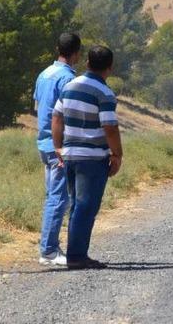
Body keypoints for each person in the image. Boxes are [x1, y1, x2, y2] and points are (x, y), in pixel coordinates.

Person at [52, 45, 122, 270]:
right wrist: (117, 154)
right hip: (92, 158)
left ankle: (76, 253)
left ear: (87, 63)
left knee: (77, 205)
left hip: (71, 155)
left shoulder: (69, 86)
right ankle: (77, 256)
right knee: (86, 206)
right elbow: (109, 127)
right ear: (109, 67)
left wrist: (58, 147)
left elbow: (56, 118)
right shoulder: (104, 93)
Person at [33, 32, 82, 266]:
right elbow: (67, 115)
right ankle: (49, 250)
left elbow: (38, 106)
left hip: (43, 143)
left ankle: (50, 246)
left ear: (57, 49)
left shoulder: (44, 74)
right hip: (58, 146)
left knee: (52, 195)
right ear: (77, 54)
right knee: (59, 198)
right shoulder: (68, 79)